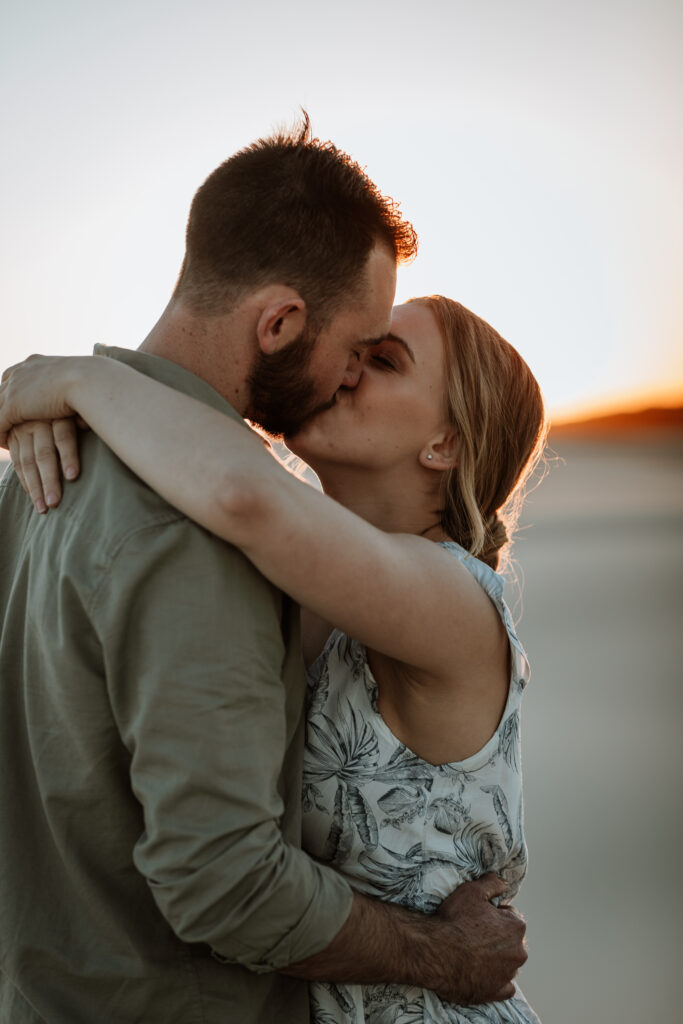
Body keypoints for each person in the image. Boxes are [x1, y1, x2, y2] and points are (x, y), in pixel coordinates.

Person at [0, 118, 528, 1024]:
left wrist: (72, 381)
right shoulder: (208, 527)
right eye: (360, 347)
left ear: (445, 442)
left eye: (382, 361)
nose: (350, 375)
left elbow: (249, 497)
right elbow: (224, 880)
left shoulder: (438, 596)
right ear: (280, 323)